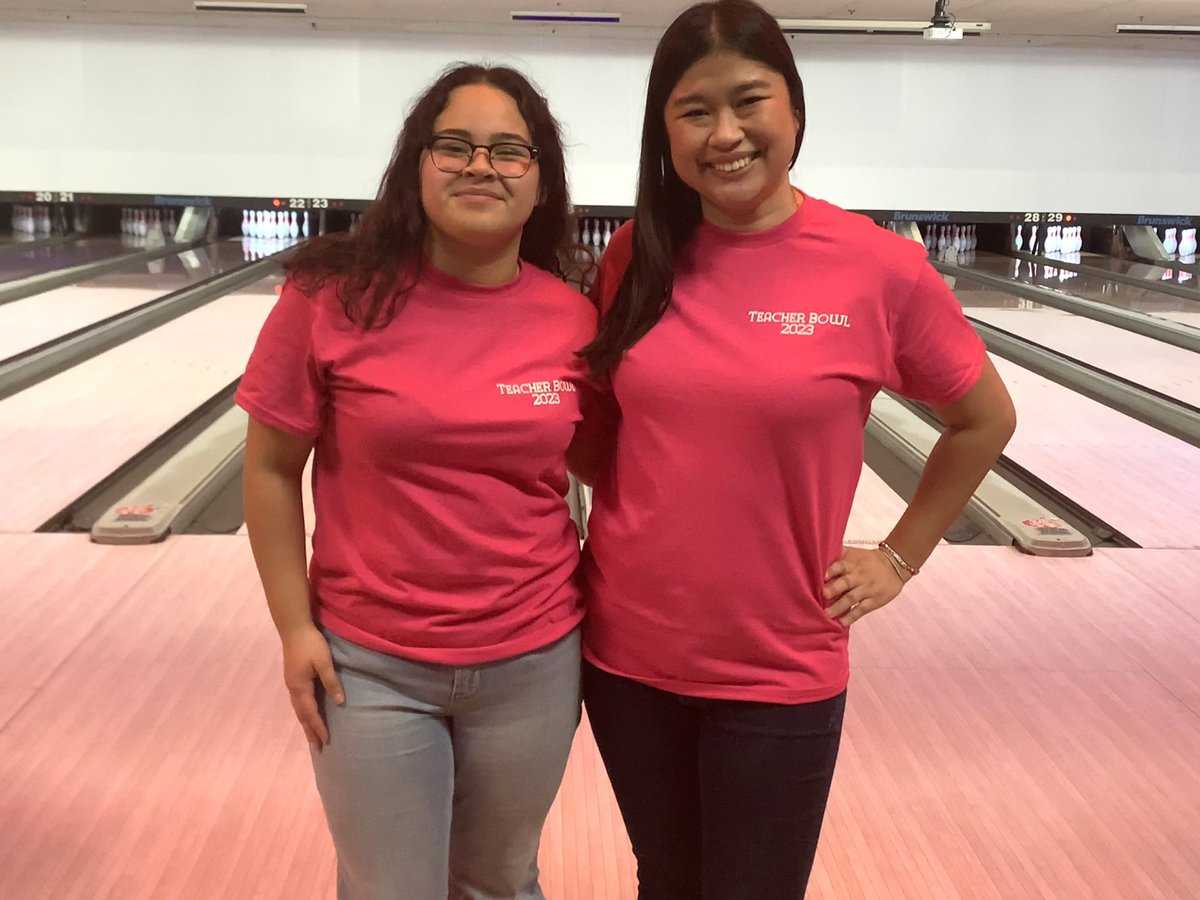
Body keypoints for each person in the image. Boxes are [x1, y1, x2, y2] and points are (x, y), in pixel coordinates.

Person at [569, 1, 1018, 897]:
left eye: (749, 102)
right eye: (695, 110)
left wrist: (899, 557)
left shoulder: (877, 267)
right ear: (664, 130)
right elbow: (600, 437)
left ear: (795, 111)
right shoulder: (635, 254)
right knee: (666, 879)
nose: (725, 133)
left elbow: (985, 419)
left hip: (780, 667)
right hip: (626, 655)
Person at [237, 63, 595, 900]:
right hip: (370, 664)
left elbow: (614, 469)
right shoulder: (329, 298)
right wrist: (295, 628)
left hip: (534, 660)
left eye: (511, 150)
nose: (481, 165)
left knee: (501, 882)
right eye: (456, 147)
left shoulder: (573, 318)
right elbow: (269, 469)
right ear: (417, 164)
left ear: (541, 181)